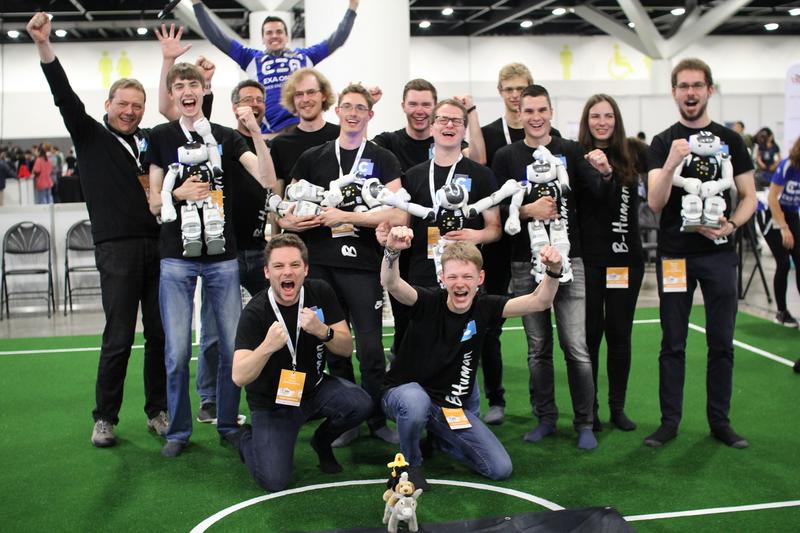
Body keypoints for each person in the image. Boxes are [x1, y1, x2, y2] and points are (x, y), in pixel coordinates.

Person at [27, 11, 169, 447]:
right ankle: (105, 417)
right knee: (120, 336)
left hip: (158, 245)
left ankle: (158, 410)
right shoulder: (88, 135)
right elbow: (63, 95)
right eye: (122, 104)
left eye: (136, 105)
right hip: (117, 250)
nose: (130, 111)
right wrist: (43, 45)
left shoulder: (148, 141)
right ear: (107, 105)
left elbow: (187, 135)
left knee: (161, 335)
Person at [147, 62, 276, 457]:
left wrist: (255, 132)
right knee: (175, 351)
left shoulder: (225, 138)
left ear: (205, 90)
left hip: (223, 256)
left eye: (195, 84)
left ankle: (226, 422)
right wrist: (177, 194)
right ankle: (179, 431)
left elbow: (268, 179)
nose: (188, 91)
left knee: (227, 348)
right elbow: (154, 201)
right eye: (180, 85)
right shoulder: (160, 137)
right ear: (172, 94)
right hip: (176, 257)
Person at [381, 225, 563, 488]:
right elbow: (391, 283)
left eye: (467, 276)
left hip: (447, 406)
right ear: (442, 278)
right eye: (453, 277)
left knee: (499, 468)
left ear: (480, 278)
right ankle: (410, 466)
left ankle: (439, 440)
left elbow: (540, 301)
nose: (460, 283)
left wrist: (553, 270)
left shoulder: (485, 306)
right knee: (415, 399)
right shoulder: (427, 301)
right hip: (401, 396)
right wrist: (392, 251)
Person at [278, 83, 404, 446]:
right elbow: (288, 210)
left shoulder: (382, 158)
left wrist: (345, 216)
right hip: (320, 267)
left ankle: (377, 420)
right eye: (346, 107)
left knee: (369, 349)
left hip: (364, 266)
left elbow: (398, 213)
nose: (352, 113)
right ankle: (349, 417)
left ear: (370, 115)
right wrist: (296, 220)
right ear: (337, 111)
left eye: (359, 108)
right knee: (335, 345)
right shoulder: (313, 157)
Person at [646, 58, 756, 449]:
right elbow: (656, 203)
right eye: (683, 86)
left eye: (697, 86)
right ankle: (669, 423)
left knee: (721, 342)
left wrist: (732, 225)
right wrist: (673, 160)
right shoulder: (663, 142)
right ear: (674, 91)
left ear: (710, 90)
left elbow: (749, 197)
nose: (690, 93)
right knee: (672, 342)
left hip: (719, 255)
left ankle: (720, 423)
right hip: (675, 255)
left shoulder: (731, 141)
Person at [492, 84, 601, 450]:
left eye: (542, 110)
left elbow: (594, 194)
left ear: (551, 111)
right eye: (529, 111)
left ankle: (585, 422)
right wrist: (527, 211)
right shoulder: (506, 156)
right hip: (527, 262)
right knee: (537, 347)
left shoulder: (570, 150)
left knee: (577, 347)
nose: (536, 117)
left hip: (572, 259)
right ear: (518, 114)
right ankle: (546, 418)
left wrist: (603, 169)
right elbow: (498, 212)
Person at [232, 233, 371, 491]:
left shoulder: (320, 291)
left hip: (314, 391)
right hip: (273, 405)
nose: (288, 272)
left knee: (360, 404)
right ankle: (246, 439)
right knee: (275, 481)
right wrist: (266, 348)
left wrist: (323, 331)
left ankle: (321, 441)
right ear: (266, 272)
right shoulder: (255, 312)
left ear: (305, 269)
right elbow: (239, 376)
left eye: (295, 265)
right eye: (279, 266)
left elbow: (345, 347)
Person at [577, 94, 646, 432]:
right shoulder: (578, 156)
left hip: (626, 261)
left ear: (616, 120)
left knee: (620, 335)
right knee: (589, 337)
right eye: (595, 116)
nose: (602, 122)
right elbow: (592, 198)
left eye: (608, 116)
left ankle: (617, 407)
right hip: (589, 261)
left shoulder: (634, 153)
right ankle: (590, 410)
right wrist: (603, 174)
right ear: (586, 121)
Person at [191, 0, 359, 134]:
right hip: (269, 134)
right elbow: (217, 37)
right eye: (269, 33)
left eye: (279, 32)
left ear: (287, 36)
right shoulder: (251, 58)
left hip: (303, 128)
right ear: (262, 39)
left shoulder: (305, 56)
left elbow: (336, 40)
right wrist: (197, 4)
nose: (274, 36)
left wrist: (352, 7)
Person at [270, 68, 340, 186]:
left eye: (311, 92)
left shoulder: (340, 135)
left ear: (324, 95)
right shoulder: (280, 144)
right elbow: (278, 198)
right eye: (299, 94)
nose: (305, 99)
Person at [764, 137, 800, 327]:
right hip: (772, 214)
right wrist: (784, 228)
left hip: (792, 214)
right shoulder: (788, 166)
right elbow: (772, 198)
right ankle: (781, 312)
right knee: (784, 262)